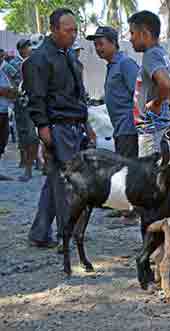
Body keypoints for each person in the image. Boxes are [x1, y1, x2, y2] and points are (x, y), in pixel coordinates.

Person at [25, 8, 95, 248]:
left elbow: (78, 96)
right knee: (68, 182)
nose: (74, 34)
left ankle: (39, 233)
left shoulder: (68, 56)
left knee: (55, 180)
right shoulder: (39, 59)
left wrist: (87, 125)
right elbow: (36, 98)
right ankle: (66, 235)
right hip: (57, 127)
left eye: (75, 30)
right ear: (54, 29)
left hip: (74, 125)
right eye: (68, 30)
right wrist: (44, 130)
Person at [128, 10, 170, 159]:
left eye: (132, 33)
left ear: (144, 34)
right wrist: (167, 102)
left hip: (151, 132)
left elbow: (166, 84)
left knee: (148, 178)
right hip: (159, 128)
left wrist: (157, 103)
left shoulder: (151, 55)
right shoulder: (163, 54)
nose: (130, 39)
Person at [86, 26, 139, 159]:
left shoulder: (125, 64)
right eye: (95, 45)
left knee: (128, 171)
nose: (98, 48)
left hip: (129, 129)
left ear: (113, 43)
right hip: (119, 128)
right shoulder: (112, 66)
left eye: (101, 44)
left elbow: (139, 95)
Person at [12, 38, 41, 181]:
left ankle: (40, 164)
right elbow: (22, 87)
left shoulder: (44, 62)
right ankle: (29, 168)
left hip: (42, 105)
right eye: (29, 47)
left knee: (40, 138)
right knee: (31, 138)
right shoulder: (25, 64)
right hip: (29, 105)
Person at [0, 51, 17, 162]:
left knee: (3, 140)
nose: (2, 59)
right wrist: (8, 91)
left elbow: (13, 90)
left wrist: (10, 92)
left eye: (2, 56)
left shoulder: (5, 70)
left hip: (5, 110)